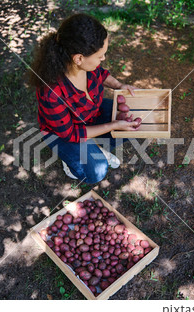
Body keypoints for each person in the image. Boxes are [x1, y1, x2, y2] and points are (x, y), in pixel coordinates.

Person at [27, 13, 139, 184]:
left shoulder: (86, 65)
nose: (103, 59)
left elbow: (101, 75)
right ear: (78, 58)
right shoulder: (51, 93)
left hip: (89, 115)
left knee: (134, 117)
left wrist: (118, 86)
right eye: (100, 55)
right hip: (64, 134)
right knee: (97, 171)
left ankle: (95, 145)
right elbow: (72, 133)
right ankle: (72, 163)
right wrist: (114, 125)